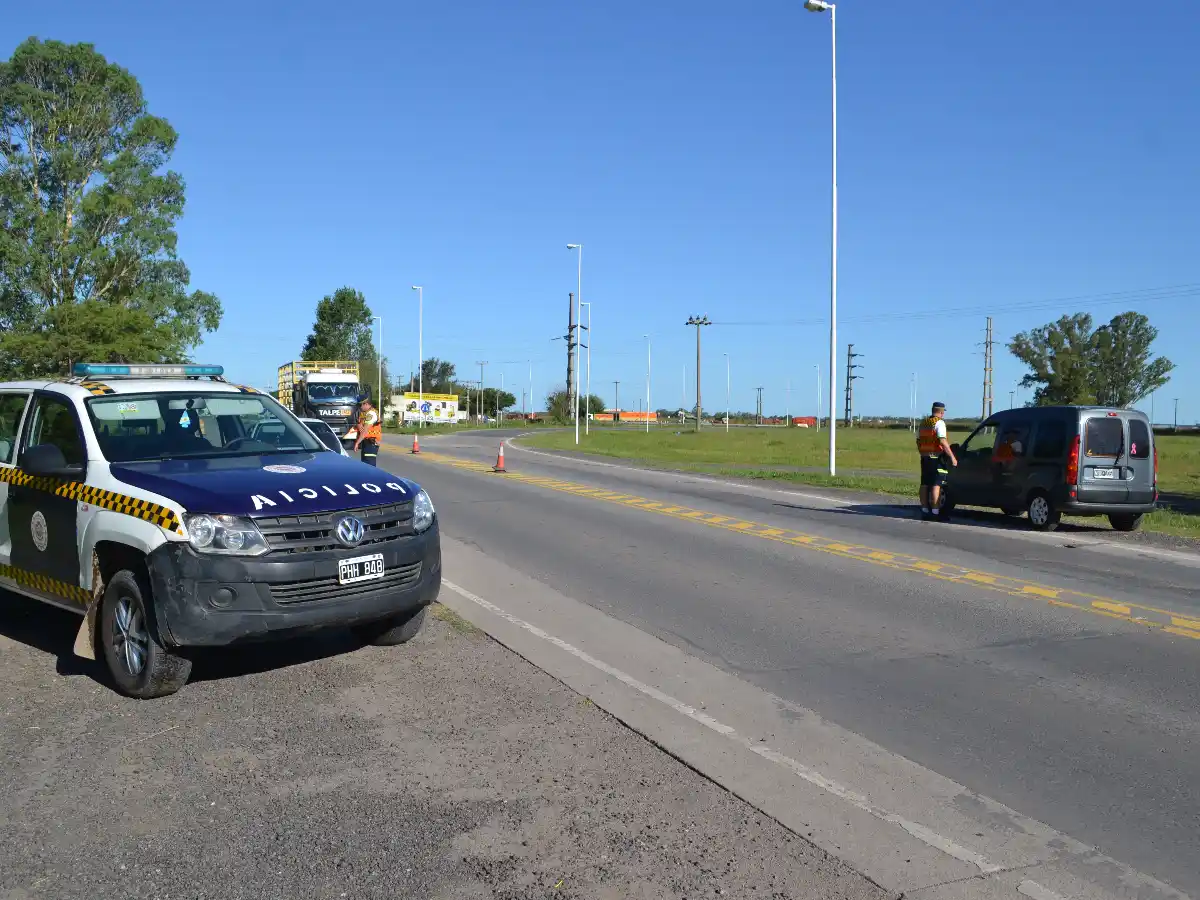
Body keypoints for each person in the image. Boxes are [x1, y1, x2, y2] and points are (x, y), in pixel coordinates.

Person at [916, 401, 957, 520]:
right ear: (941, 412)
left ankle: (924, 510)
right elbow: (942, 441)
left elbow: (918, 441)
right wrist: (952, 457)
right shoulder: (939, 423)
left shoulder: (924, 423)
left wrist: (923, 452)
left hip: (925, 457)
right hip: (936, 458)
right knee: (936, 484)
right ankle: (935, 513)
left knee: (924, 483)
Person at [353, 399, 382, 466]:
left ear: (366, 404)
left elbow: (365, 431)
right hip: (366, 442)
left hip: (371, 442)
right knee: (365, 465)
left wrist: (357, 443)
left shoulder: (371, 413)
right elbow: (360, 425)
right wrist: (358, 425)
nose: (360, 407)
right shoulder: (364, 413)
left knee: (370, 466)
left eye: (361, 405)